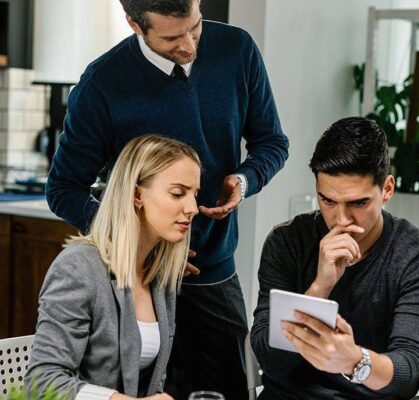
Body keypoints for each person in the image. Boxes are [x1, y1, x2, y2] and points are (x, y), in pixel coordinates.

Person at [45, 0, 289, 398]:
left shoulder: (237, 49)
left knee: (228, 391)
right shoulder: (101, 84)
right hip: (137, 281)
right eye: (173, 37)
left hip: (213, 272)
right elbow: (63, 189)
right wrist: (133, 240)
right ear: (134, 24)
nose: (191, 46)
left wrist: (244, 180)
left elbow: (272, 142)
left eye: (195, 28)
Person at [251, 117, 419, 399]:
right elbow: (271, 363)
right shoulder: (287, 242)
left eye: (358, 203)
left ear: (387, 190)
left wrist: (355, 361)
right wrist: (320, 288)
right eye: (328, 201)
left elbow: (411, 371)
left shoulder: (417, 256)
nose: (341, 219)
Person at [25, 135, 201, 400]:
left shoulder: (159, 273)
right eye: (178, 193)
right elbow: (42, 384)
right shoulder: (78, 267)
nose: (193, 208)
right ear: (136, 194)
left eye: (194, 194)